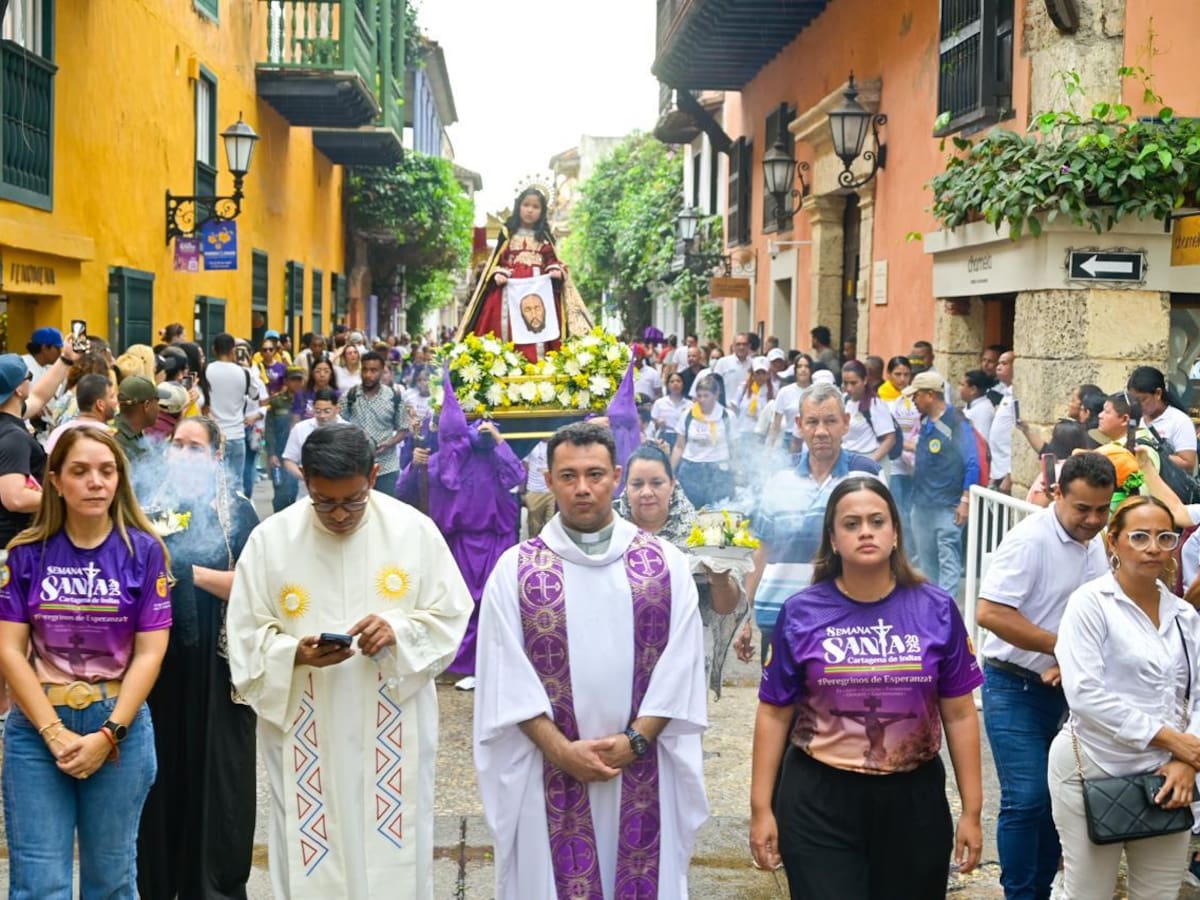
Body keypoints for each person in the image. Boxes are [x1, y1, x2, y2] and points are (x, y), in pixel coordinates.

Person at [227, 423, 473, 899]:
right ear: (305, 480)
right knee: (311, 847)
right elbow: (244, 634)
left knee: (394, 850)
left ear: (374, 476)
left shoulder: (413, 531)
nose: (339, 514)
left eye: (353, 500)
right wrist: (293, 654)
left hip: (390, 721)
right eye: (324, 501)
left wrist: (398, 631)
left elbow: (450, 616)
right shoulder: (271, 541)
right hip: (306, 723)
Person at [473, 422, 708, 898]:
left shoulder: (665, 564)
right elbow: (504, 680)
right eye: (568, 476)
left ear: (616, 477)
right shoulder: (515, 571)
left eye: (595, 474)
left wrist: (635, 741)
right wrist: (562, 752)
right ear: (548, 480)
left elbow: (681, 667)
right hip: (547, 770)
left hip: (643, 767)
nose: (583, 488)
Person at [750, 477, 983, 896]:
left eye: (877, 521)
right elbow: (773, 712)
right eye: (851, 523)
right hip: (819, 798)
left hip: (913, 800)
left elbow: (960, 713)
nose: (865, 532)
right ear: (833, 540)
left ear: (895, 534)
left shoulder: (936, 609)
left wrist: (972, 809)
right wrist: (760, 808)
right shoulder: (801, 612)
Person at [0, 427, 172, 896]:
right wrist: (53, 732)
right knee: (39, 884)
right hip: (37, 728)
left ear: (119, 479)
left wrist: (109, 734)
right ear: (55, 481)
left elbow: (150, 653)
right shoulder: (25, 554)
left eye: (106, 471)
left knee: (112, 882)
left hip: (118, 726)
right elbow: (9, 650)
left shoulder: (145, 552)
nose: (95, 482)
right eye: (80, 471)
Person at [975, 452, 1115, 900]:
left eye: (1102, 510)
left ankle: (1041, 890)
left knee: (1060, 798)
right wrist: (1062, 647)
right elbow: (990, 613)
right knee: (1027, 797)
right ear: (1057, 494)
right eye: (1083, 509)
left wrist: (1072, 660)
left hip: (1068, 689)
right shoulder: (1030, 540)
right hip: (1012, 685)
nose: (1093, 520)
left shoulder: (1097, 542)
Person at [1049, 495, 1200, 898]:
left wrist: (1186, 760)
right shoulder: (1090, 604)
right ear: (1113, 541)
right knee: (1088, 891)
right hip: (1094, 762)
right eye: (1139, 536)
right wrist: (1172, 740)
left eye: (1165, 538)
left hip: (1168, 774)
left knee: (1159, 893)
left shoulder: (1184, 616)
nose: (1153, 548)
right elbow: (1084, 694)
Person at [138, 417, 260, 898]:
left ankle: (211, 887)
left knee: (217, 776)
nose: (184, 455)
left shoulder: (238, 511)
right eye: (177, 445)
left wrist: (189, 573)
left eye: (196, 448)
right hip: (158, 659)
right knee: (159, 773)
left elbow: (255, 587)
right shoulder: (146, 505)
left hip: (217, 659)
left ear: (216, 457)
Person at [396, 386, 523, 688]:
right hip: (457, 544)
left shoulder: (492, 455)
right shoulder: (437, 461)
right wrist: (414, 465)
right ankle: (459, 664)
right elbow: (403, 492)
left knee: (495, 604)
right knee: (459, 604)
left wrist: (499, 441)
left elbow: (516, 476)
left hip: (496, 541)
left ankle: (492, 664)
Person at [747, 383, 881, 659]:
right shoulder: (780, 477)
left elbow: (885, 547)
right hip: (779, 617)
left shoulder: (866, 476)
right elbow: (761, 549)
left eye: (830, 421)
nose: (821, 431)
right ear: (799, 425)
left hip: (845, 621)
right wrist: (743, 617)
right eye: (812, 422)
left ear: (845, 423)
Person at [616, 443, 750, 695]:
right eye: (637, 484)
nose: (647, 492)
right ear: (625, 486)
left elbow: (726, 608)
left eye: (657, 483)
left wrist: (720, 579)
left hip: (682, 656)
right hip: (618, 653)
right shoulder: (606, 529)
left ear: (673, 484)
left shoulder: (701, 533)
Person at [456, 187, 591, 363]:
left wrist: (555, 269)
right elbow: (498, 260)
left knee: (540, 325)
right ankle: (505, 364)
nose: (530, 210)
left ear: (542, 211)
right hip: (508, 290)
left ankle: (541, 364)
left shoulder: (544, 237)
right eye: (526, 205)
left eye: (535, 207)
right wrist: (498, 272)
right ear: (518, 206)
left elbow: (552, 259)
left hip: (539, 290)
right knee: (506, 326)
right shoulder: (508, 234)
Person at [906, 370, 979, 592]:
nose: (913, 401)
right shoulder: (925, 421)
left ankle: (947, 605)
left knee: (948, 559)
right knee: (927, 563)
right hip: (922, 505)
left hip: (948, 505)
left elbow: (972, 462)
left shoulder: (957, 423)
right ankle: (932, 603)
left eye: (916, 395)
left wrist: (965, 500)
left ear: (930, 395)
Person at [338, 351, 409, 498]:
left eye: (373, 370)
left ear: (382, 372)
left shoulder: (394, 397)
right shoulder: (350, 396)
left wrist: (389, 443)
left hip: (386, 467)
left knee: (386, 508)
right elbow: (339, 425)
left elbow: (403, 429)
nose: (368, 375)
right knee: (358, 506)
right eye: (365, 370)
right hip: (356, 466)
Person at [671, 373, 737, 509]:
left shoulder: (727, 416)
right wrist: (670, 471)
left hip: (719, 470)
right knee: (690, 510)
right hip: (691, 469)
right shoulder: (687, 415)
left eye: (706, 396)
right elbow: (679, 446)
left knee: (719, 510)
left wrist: (737, 472)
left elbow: (734, 447)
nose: (701, 400)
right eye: (699, 396)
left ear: (716, 395)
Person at [1127, 365, 1198, 473]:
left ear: (1158, 393)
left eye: (1142, 400)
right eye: (1133, 400)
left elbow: (1188, 464)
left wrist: (1152, 455)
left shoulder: (1179, 421)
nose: (1137, 405)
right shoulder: (1137, 419)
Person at [881, 356, 919, 539]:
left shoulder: (915, 399)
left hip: (915, 465)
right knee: (899, 510)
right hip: (894, 464)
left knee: (912, 511)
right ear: (888, 375)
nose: (902, 379)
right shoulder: (881, 399)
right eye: (897, 374)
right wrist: (904, 445)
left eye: (906, 374)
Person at [44, 373, 116, 457]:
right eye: (112, 397)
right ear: (100, 404)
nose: (116, 401)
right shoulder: (108, 436)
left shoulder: (58, 432)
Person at [841, 360, 895, 464]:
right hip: (846, 459)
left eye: (853, 383)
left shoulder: (875, 404)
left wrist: (869, 462)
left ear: (865, 380)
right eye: (845, 383)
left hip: (869, 459)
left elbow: (890, 439)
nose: (849, 388)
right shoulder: (843, 401)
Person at [769, 354, 814, 452]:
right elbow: (776, 423)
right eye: (800, 366)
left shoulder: (816, 391)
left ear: (811, 370)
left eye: (806, 366)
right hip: (790, 439)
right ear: (795, 370)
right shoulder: (785, 392)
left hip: (811, 438)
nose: (803, 370)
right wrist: (769, 448)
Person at [292, 356, 340, 423]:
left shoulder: (337, 394)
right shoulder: (301, 394)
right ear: (312, 373)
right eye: (318, 371)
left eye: (326, 371)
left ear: (331, 374)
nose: (322, 375)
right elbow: (296, 418)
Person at [651, 371, 689, 450]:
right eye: (672, 381)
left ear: (683, 384)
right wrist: (658, 422)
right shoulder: (660, 402)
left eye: (678, 381)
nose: (675, 384)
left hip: (682, 436)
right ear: (667, 385)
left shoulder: (689, 404)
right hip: (664, 435)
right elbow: (653, 421)